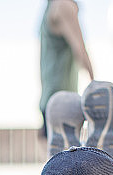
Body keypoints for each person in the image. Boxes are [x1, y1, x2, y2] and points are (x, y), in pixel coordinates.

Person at [39, 0, 94, 139]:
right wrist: (95, 86)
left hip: (51, 97)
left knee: (52, 148)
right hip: (61, 99)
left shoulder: (53, 6)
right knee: (62, 150)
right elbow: (80, 50)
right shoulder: (63, 5)